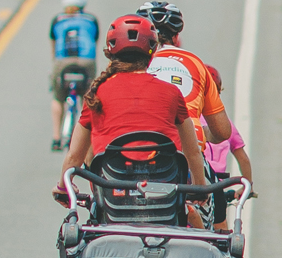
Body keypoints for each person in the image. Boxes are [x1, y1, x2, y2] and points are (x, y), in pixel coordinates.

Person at [54, 14, 206, 205]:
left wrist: (62, 188)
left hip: (113, 198)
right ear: (152, 50)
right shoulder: (172, 92)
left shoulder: (97, 92)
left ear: (111, 51)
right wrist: (200, 189)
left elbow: (75, 155)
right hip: (163, 198)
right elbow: (192, 151)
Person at [137, 1, 232, 145]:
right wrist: (205, 133)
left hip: (132, 146)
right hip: (187, 146)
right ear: (176, 38)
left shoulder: (126, 62)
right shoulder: (196, 63)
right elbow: (222, 131)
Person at [201, 65, 253, 231]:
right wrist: (247, 186)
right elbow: (243, 158)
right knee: (221, 236)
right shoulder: (224, 125)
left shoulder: (186, 118)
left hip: (191, 182)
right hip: (216, 187)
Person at [49, 0, 100, 151]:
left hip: (63, 61)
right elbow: (94, 41)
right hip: (86, 61)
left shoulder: (57, 20)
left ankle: (56, 137)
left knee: (58, 98)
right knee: (89, 96)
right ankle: (89, 135)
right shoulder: (91, 19)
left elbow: (54, 44)